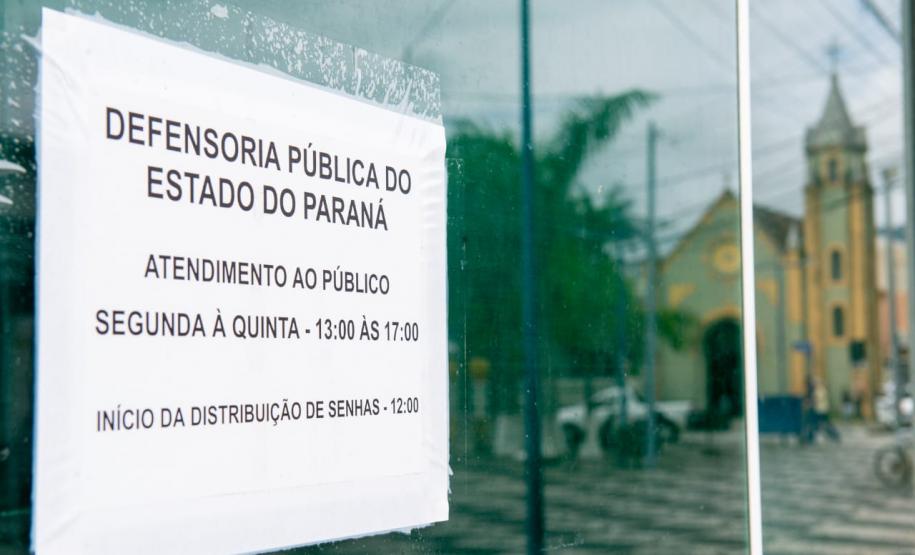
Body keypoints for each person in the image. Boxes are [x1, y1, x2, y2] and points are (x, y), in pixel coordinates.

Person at [813, 377, 841, 442]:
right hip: (823, 409)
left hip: (820, 410)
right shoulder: (823, 390)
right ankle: (833, 434)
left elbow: (817, 400)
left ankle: (833, 434)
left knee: (822, 423)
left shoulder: (820, 390)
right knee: (824, 423)